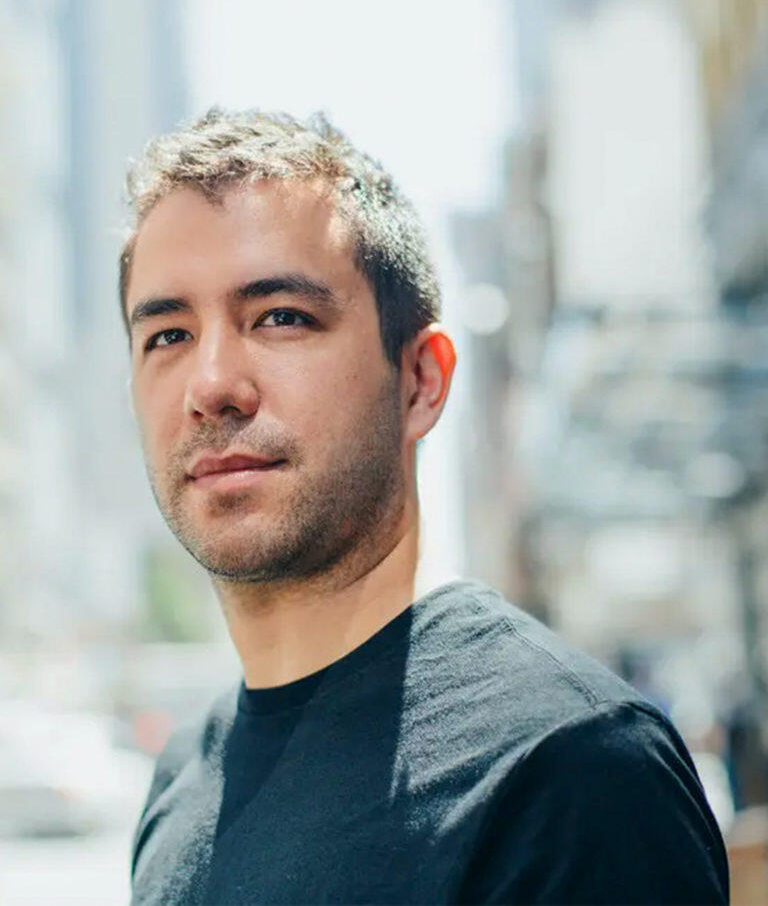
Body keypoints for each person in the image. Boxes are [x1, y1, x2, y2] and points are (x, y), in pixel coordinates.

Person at [123, 108, 729, 905]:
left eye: (280, 317)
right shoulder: (181, 782)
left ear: (420, 380)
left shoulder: (568, 765)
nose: (211, 385)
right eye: (167, 334)